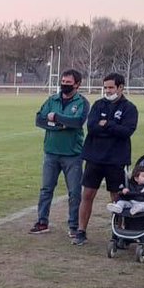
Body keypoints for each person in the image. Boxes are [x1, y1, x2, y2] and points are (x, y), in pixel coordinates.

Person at [73, 72, 137, 246]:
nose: (107, 91)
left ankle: (118, 233)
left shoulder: (129, 108)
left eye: (111, 87)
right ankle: (81, 231)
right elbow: (92, 127)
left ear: (120, 87)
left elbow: (126, 131)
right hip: (94, 157)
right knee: (87, 195)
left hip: (116, 160)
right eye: (105, 87)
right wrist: (113, 128)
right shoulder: (98, 105)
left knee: (117, 199)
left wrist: (107, 124)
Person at [30, 69, 90, 238]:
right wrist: (60, 125)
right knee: (46, 189)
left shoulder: (82, 102)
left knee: (74, 192)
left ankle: (74, 226)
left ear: (77, 84)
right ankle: (42, 222)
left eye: (68, 82)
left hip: (72, 154)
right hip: (51, 152)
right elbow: (39, 119)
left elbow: (77, 122)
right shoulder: (52, 99)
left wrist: (56, 117)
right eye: (63, 81)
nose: (64, 84)